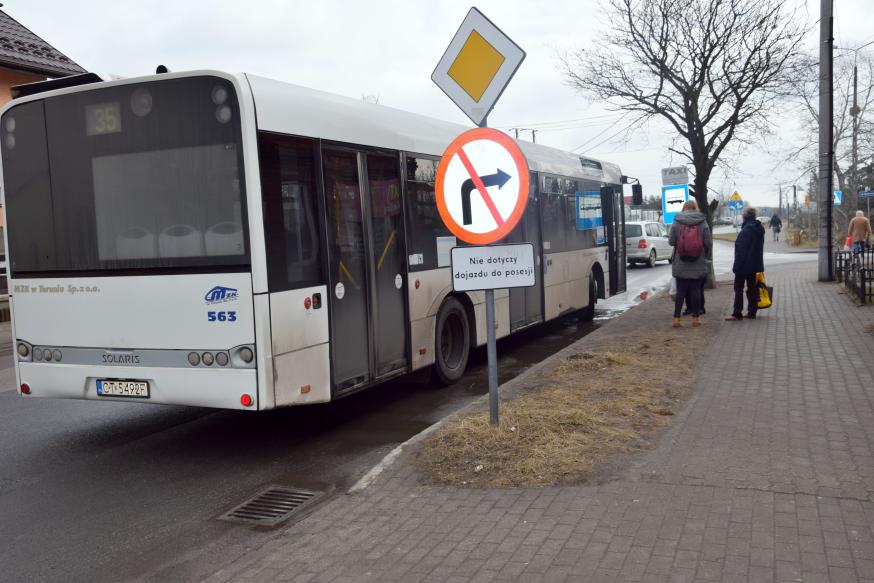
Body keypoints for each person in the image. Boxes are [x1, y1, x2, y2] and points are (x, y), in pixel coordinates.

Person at [668, 199, 711, 327]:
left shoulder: (677, 220)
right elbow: (708, 242)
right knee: (696, 291)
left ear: (684, 208)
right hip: (698, 261)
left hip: (681, 261)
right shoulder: (702, 221)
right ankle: (696, 319)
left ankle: (676, 318)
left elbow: (671, 241)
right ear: (695, 207)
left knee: (681, 291)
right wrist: (704, 254)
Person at [726, 207, 765, 321]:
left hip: (743, 265)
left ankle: (737, 313)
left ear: (745, 217)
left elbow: (741, 251)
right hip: (754, 264)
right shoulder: (758, 229)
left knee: (738, 288)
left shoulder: (746, 230)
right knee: (752, 288)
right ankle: (752, 312)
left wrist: (736, 267)